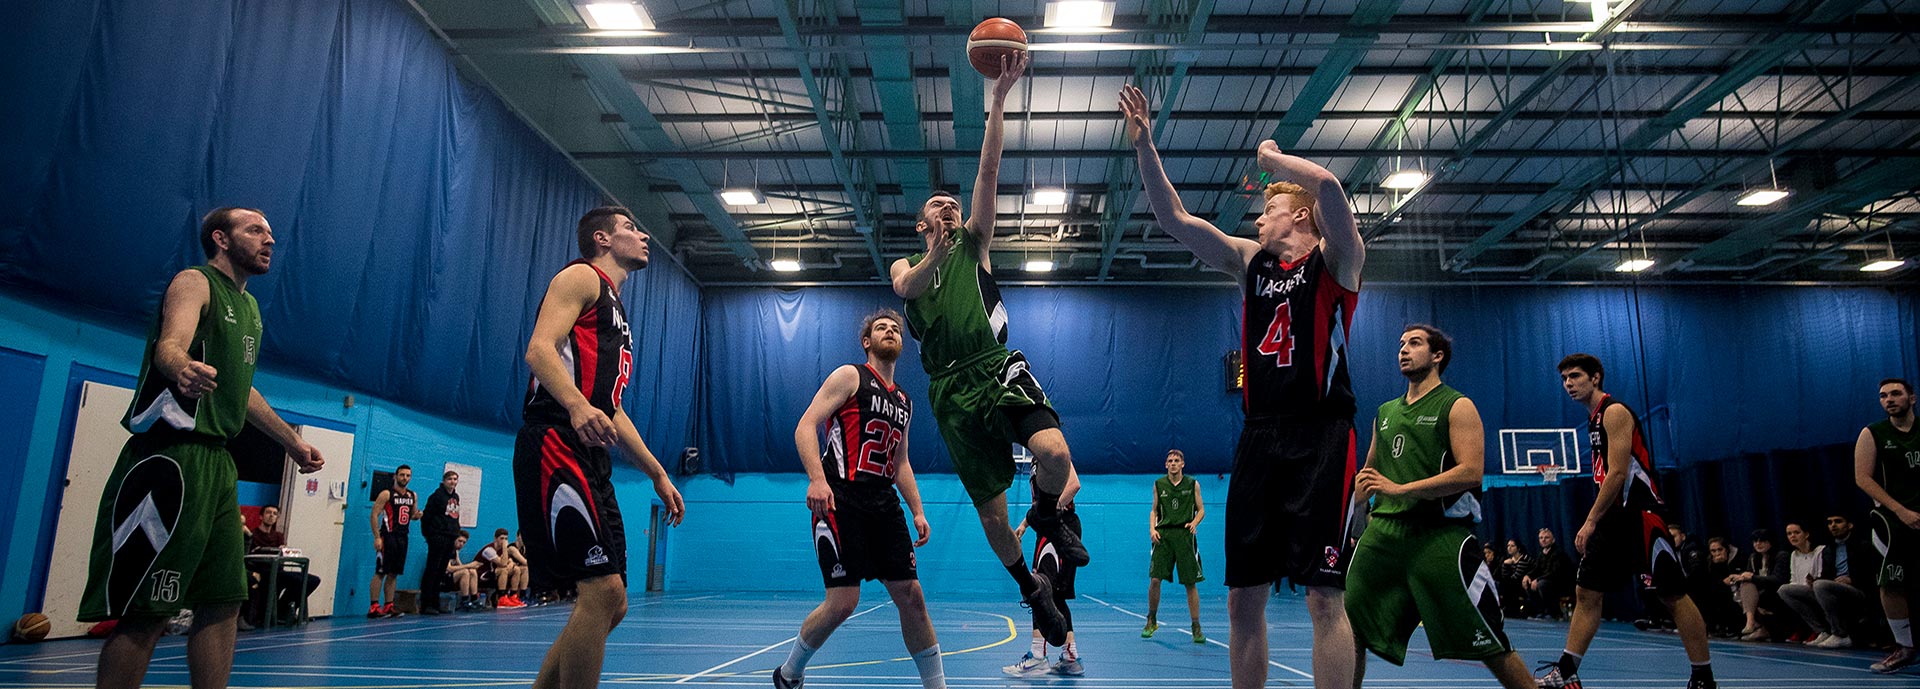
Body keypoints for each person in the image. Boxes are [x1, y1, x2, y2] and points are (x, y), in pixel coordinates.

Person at [1120, 83, 1366, 689]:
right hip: (1259, 439)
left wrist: (1272, 158)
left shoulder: (1339, 261)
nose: (1257, 217)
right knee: (1241, 601)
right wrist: (1145, 145)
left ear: (1297, 215)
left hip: (1322, 437)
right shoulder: (1249, 262)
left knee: (1322, 600)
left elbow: (1331, 188)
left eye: (1267, 208)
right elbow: (1173, 219)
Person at [77, 207, 324, 689]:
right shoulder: (195, 282)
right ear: (221, 238)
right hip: (170, 459)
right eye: (255, 230)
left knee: (223, 601)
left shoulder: (250, 309)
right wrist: (180, 367)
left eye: (271, 233)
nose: (269, 239)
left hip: (217, 465)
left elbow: (241, 389)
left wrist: (292, 442)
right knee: (148, 610)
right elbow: (170, 345)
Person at [888, 50, 1079, 646]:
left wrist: (997, 98)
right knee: (993, 515)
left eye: (953, 206)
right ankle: (1030, 587)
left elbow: (990, 170)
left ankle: (1047, 514)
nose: (948, 209)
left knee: (1054, 453)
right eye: (936, 208)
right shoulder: (911, 265)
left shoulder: (975, 244)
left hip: (995, 369)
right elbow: (905, 286)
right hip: (949, 391)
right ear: (923, 226)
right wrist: (935, 253)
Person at [514, 206, 687, 689]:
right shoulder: (580, 278)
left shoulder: (616, 308)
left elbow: (607, 407)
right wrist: (573, 405)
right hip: (554, 438)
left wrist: (656, 472)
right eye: (631, 226)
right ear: (602, 238)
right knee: (603, 590)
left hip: (588, 449)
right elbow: (539, 349)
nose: (643, 232)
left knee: (615, 602)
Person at [1346, 325, 1532, 688]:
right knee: (1347, 627)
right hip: (1382, 535)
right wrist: (1351, 501)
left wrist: (1403, 489)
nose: (1403, 350)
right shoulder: (1384, 412)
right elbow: (1369, 474)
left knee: (1490, 642)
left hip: (1440, 537)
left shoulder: (1457, 405)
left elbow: (1471, 471)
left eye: (1414, 343)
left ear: (1437, 356)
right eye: (1401, 344)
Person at [775, 310, 944, 689]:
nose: (891, 331)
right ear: (867, 341)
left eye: (896, 329)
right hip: (840, 498)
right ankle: (788, 674)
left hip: (884, 504)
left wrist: (917, 510)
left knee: (912, 596)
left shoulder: (904, 401)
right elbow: (805, 425)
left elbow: (900, 462)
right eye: (882, 327)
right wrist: (817, 481)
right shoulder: (850, 376)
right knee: (843, 602)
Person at [1537, 354, 1715, 689]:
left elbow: (1618, 473)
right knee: (1586, 592)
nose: (1569, 384)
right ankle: (1567, 672)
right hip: (1612, 520)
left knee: (1672, 595)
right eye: (1564, 379)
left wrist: (1589, 522)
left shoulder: (1615, 412)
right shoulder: (1593, 421)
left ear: (1596, 377)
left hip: (1639, 515)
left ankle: (1703, 676)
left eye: (1575, 376)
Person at [1855, 378, 1920, 672]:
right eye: (1883, 396)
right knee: (1891, 582)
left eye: (1895, 393)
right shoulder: (1873, 433)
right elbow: (1862, 478)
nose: (1889, 399)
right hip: (1892, 519)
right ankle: (1905, 647)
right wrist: (1901, 510)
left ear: (1912, 398)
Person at [1005, 469, 1087, 677]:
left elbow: (1074, 484)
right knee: (1055, 594)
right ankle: (1070, 657)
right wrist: (1024, 525)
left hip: (1058, 526)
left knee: (1040, 590)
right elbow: (1040, 504)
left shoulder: (1053, 453)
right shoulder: (1039, 460)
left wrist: (1052, 511)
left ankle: (1037, 656)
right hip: (1050, 527)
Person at [1780, 514, 1881, 649]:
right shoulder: (1829, 549)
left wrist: (1852, 579)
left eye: (1838, 521)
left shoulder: (1863, 546)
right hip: (1832, 587)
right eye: (1830, 522)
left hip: (1857, 590)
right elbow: (1826, 574)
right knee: (1785, 590)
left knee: (1821, 585)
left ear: (1849, 525)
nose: (1833, 525)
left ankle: (1840, 634)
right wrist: (1815, 581)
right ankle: (1822, 631)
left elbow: (1872, 572)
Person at [1141, 449, 1205, 642]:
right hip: (1164, 535)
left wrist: (1194, 522)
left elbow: (1201, 509)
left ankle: (1196, 626)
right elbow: (1153, 511)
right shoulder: (1159, 484)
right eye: (1170, 460)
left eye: (1177, 460)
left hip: (1185, 535)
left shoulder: (1193, 484)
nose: (1173, 463)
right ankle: (1151, 619)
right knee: (1154, 580)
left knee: (1190, 583)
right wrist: (1152, 529)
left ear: (1183, 464)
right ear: (1166, 465)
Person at [243, 505, 319, 626]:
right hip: (263, 572)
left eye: (274, 513)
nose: (271, 516)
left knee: (311, 580)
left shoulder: (278, 536)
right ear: (261, 516)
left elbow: (282, 553)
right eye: (268, 513)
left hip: (278, 571)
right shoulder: (253, 534)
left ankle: (283, 608)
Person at [368, 464, 417, 618]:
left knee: (394, 573)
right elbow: (374, 514)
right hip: (388, 536)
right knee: (380, 571)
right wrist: (377, 537)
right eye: (402, 475)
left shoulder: (412, 495)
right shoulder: (386, 494)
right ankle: (374, 606)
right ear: (395, 476)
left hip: (403, 538)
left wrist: (418, 515)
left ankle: (389, 605)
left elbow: (412, 514)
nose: (405, 478)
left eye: (408, 475)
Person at [1729, 529, 1789, 641]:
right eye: (1755, 541)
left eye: (1762, 541)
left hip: (1775, 591)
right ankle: (1755, 624)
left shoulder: (1781, 555)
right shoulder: (1753, 558)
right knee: (1742, 586)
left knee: (1748, 584)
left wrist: (1752, 577)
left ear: (1771, 542)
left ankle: (1752, 623)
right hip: (1759, 592)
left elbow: (1779, 580)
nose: (1758, 544)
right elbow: (1748, 576)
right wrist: (1740, 576)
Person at [419, 470, 462, 615]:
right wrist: (429, 536)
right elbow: (426, 517)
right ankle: (426, 603)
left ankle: (436, 603)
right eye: (450, 479)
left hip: (450, 537)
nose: (452, 482)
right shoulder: (436, 497)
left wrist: (456, 533)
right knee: (432, 570)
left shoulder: (455, 497)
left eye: (455, 479)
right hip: (438, 537)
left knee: (440, 572)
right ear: (444, 480)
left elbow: (454, 517)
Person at [1776, 522, 1827, 642]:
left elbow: (1821, 575)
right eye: (1789, 534)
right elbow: (1793, 579)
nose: (1792, 536)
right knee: (1784, 592)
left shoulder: (1820, 551)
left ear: (1806, 534)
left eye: (1796, 532)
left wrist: (1813, 582)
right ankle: (1816, 631)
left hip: (1817, 590)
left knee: (1784, 590)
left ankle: (1819, 630)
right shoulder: (1794, 554)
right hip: (1802, 591)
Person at [1524, 528, 1574, 620]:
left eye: (1546, 537)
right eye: (1541, 538)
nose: (1543, 540)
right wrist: (1528, 576)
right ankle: (1540, 611)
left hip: (1561, 584)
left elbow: (1555, 573)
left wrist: (1537, 580)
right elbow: (1536, 569)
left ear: (1553, 539)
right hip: (1547, 582)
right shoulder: (1541, 554)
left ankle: (1553, 612)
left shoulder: (1558, 553)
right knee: (1528, 583)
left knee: (1542, 584)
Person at [1702, 537, 1748, 636]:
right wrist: (1718, 566)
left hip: (1739, 589)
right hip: (1723, 591)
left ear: (1726, 549)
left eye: (1720, 549)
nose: (1717, 553)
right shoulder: (1710, 562)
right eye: (1713, 551)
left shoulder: (1739, 557)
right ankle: (1717, 627)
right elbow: (1709, 583)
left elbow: (1742, 574)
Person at [474, 528, 527, 608]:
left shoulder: (503, 550)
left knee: (517, 569)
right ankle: (501, 598)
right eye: (501, 538)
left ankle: (514, 596)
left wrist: (511, 565)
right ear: (495, 539)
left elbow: (509, 561)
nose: (504, 541)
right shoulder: (489, 550)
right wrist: (505, 549)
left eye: (506, 539)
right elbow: (502, 563)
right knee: (503, 570)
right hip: (483, 574)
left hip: (494, 573)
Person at [442, 531, 482, 610]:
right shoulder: (445, 550)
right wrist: (469, 565)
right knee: (465, 572)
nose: (461, 544)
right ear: (454, 539)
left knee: (472, 571)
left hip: (451, 578)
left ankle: (474, 598)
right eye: (460, 541)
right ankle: (464, 600)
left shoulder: (455, 551)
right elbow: (449, 568)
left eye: (464, 542)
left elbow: (460, 566)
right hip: (442, 580)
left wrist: (472, 567)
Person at [1499, 539, 1533, 618]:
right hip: (1515, 584)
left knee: (1508, 585)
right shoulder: (1509, 560)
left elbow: (1516, 577)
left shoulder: (1524, 559)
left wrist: (1506, 566)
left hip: (1525, 584)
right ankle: (1506, 608)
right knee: (1503, 584)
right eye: (1508, 546)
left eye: (1512, 546)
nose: (1509, 548)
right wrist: (1505, 565)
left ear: (1518, 548)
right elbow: (1504, 576)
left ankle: (1511, 610)